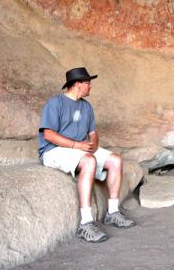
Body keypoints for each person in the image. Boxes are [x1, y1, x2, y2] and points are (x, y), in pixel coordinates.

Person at [38, 67, 135, 243]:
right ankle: (85, 223)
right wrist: (77, 145)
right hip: (54, 150)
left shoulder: (86, 106)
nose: (90, 86)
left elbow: (92, 133)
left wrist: (93, 145)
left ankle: (112, 213)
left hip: (79, 149)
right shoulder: (55, 103)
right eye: (87, 83)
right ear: (77, 84)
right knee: (89, 161)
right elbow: (48, 135)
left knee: (115, 160)